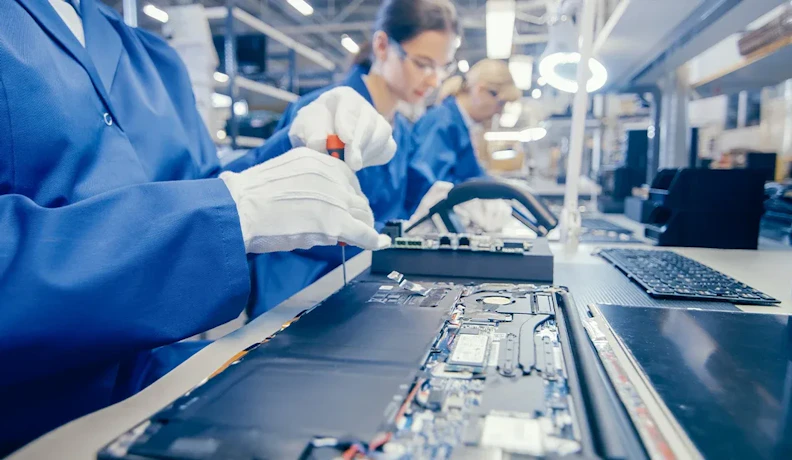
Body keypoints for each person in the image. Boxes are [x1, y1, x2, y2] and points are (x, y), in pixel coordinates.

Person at [0, 0, 394, 454]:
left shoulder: (150, 56)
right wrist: (232, 210)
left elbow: (200, 186)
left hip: (153, 390)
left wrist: (290, 147)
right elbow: (214, 206)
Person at [245, 0, 462, 317]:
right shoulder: (325, 113)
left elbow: (398, 209)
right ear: (383, 45)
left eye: (443, 67)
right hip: (298, 292)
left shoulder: (402, 131)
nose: (434, 80)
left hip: (361, 288)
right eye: (423, 64)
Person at [406, 59, 522, 215]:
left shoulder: (460, 126)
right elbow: (431, 186)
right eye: (500, 103)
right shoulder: (442, 122)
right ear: (481, 90)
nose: (499, 113)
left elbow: (472, 178)